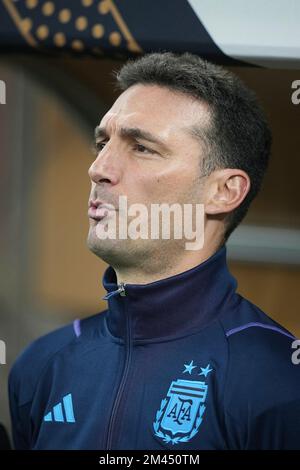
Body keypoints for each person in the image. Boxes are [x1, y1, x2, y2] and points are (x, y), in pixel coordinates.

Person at [8, 52, 300, 450]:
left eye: (142, 148)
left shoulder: (279, 381)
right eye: (102, 142)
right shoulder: (42, 363)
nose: (98, 168)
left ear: (224, 191)